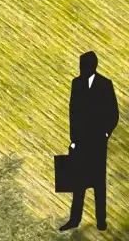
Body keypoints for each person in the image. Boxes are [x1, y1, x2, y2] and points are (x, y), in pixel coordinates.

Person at [69, 51, 119, 231]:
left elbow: (113, 113)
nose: (80, 68)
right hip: (81, 141)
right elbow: (73, 113)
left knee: (98, 182)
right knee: (78, 181)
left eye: (83, 65)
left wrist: (106, 134)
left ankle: (101, 221)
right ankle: (75, 220)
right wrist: (73, 139)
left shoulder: (105, 85)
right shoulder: (76, 83)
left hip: (98, 142)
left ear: (92, 66)